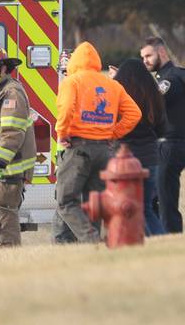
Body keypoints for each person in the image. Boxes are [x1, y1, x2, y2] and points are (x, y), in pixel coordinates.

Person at [55, 42, 141, 243]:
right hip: (104, 150)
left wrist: (62, 133)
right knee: (95, 201)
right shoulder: (112, 85)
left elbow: (66, 109)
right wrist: (113, 133)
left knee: (65, 201)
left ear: (74, 62)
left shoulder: (71, 81)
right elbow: (134, 114)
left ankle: (91, 240)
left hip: (79, 149)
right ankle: (94, 247)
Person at [0, 45, 36, 247]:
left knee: (5, 218)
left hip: (9, 168)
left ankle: (11, 254)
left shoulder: (12, 94)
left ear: (3, 69)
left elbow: (12, 132)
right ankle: (7, 250)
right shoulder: (1, 92)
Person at [113, 58, 167, 236]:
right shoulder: (154, 94)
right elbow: (162, 129)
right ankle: (160, 243)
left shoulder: (116, 94)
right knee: (146, 208)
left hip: (124, 158)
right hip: (150, 157)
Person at [140, 36, 185, 233]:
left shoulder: (169, 79)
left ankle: (171, 237)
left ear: (162, 52)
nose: (145, 61)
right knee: (158, 197)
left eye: (148, 56)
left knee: (165, 202)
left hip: (170, 145)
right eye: (142, 58)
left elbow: (152, 107)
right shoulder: (178, 74)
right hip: (175, 143)